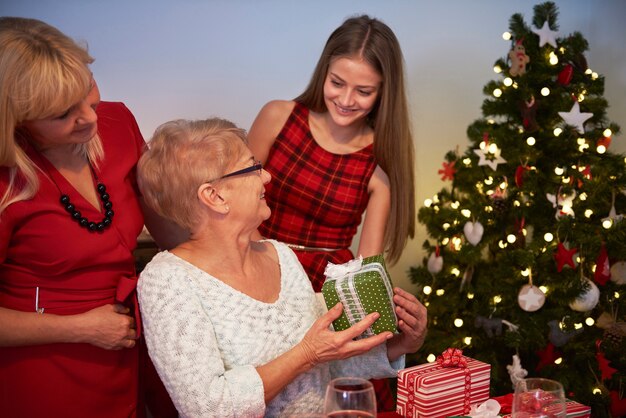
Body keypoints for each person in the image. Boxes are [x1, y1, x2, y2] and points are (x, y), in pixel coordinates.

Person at [136, 118, 427, 417]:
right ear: (215, 196)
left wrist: (401, 344)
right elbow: (209, 408)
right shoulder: (167, 280)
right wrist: (306, 354)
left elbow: (328, 364)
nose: (267, 177)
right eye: (252, 168)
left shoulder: (281, 255)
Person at [0, 17, 177, 417]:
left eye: (89, 94)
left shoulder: (118, 123)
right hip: (44, 361)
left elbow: (163, 220)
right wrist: (80, 327)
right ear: (16, 119)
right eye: (63, 114)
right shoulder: (5, 181)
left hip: (125, 341)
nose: (90, 118)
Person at [247, 14, 416, 410]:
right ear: (323, 71)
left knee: (326, 392)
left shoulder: (378, 166)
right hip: (259, 263)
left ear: (383, 93)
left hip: (324, 291)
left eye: (364, 91)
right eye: (337, 83)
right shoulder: (278, 116)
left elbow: (366, 270)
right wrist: (271, 270)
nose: (345, 99)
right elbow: (238, 203)